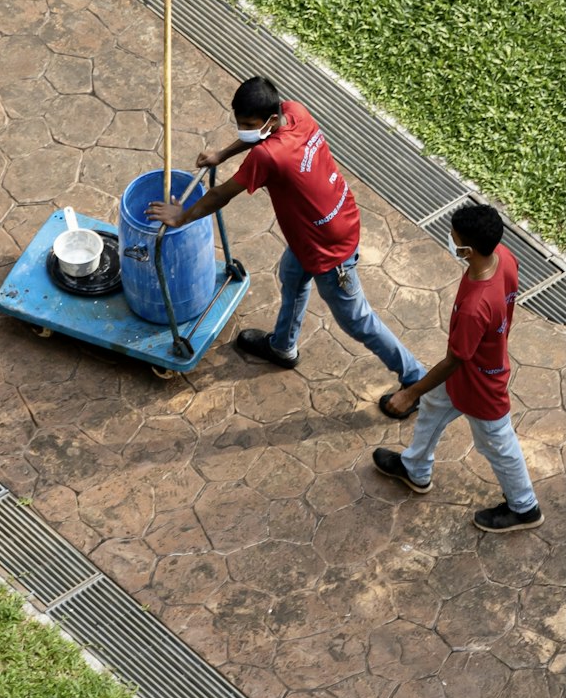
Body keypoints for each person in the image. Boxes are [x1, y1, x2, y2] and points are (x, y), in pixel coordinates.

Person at [148, 75, 425, 411]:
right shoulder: (296, 112)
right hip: (324, 224)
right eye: (239, 123)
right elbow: (256, 140)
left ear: (271, 120)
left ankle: (415, 379)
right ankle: (282, 347)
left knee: (357, 320)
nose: (244, 130)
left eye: (249, 124)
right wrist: (222, 154)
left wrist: (182, 216)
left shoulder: (269, 157)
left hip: (328, 249)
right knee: (292, 276)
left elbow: (222, 194)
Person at [372, 201, 543, 532]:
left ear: (469, 250)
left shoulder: (475, 307)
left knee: (496, 443)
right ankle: (415, 468)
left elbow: (455, 359)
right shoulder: (504, 257)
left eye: (454, 237)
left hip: (481, 381)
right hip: (472, 367)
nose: (450, 239)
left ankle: (525, 507)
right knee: (435, 405)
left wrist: (411, 393)